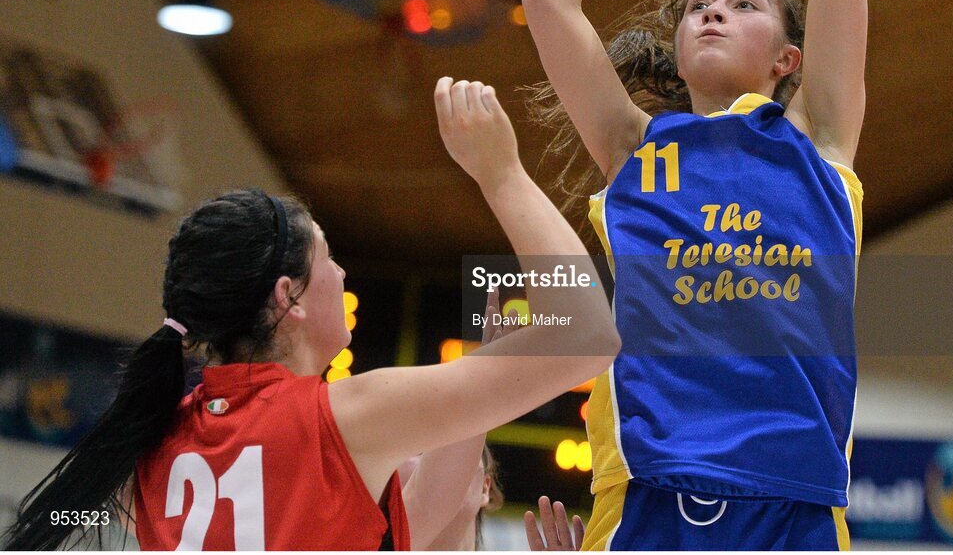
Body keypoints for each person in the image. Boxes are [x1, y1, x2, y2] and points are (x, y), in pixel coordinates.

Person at [2, 78, 619, 551]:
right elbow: (590, 334)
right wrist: (503, 174)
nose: (343, 275)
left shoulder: (157, 440)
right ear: (286, 298)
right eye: (328, 257)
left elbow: (72, 514)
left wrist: (88, 514)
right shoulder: (343, 418)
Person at [522, 0, 866, 550]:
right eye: (698, 4)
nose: (711, 10)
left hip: (794, 501)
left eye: (744, 3)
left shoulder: (817, 138)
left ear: (790, 58)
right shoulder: (633, 148)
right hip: (647, 490)